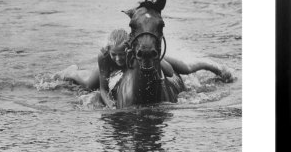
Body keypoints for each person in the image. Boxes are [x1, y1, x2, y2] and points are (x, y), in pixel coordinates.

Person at [55, 29, 233, 109]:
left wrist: (155, 58)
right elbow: (102, 88)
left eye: (122, 55)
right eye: (114, 54)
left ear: (130, 50)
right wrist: (110, 104)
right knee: (88, 82)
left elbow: (170, 72)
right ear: (109, 52)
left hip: (150, 59)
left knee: (185, 67)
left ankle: (212, 66)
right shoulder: (105, 57)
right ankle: (71, 71)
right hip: (108, 72)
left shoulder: (138, 54)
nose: (118, 59)